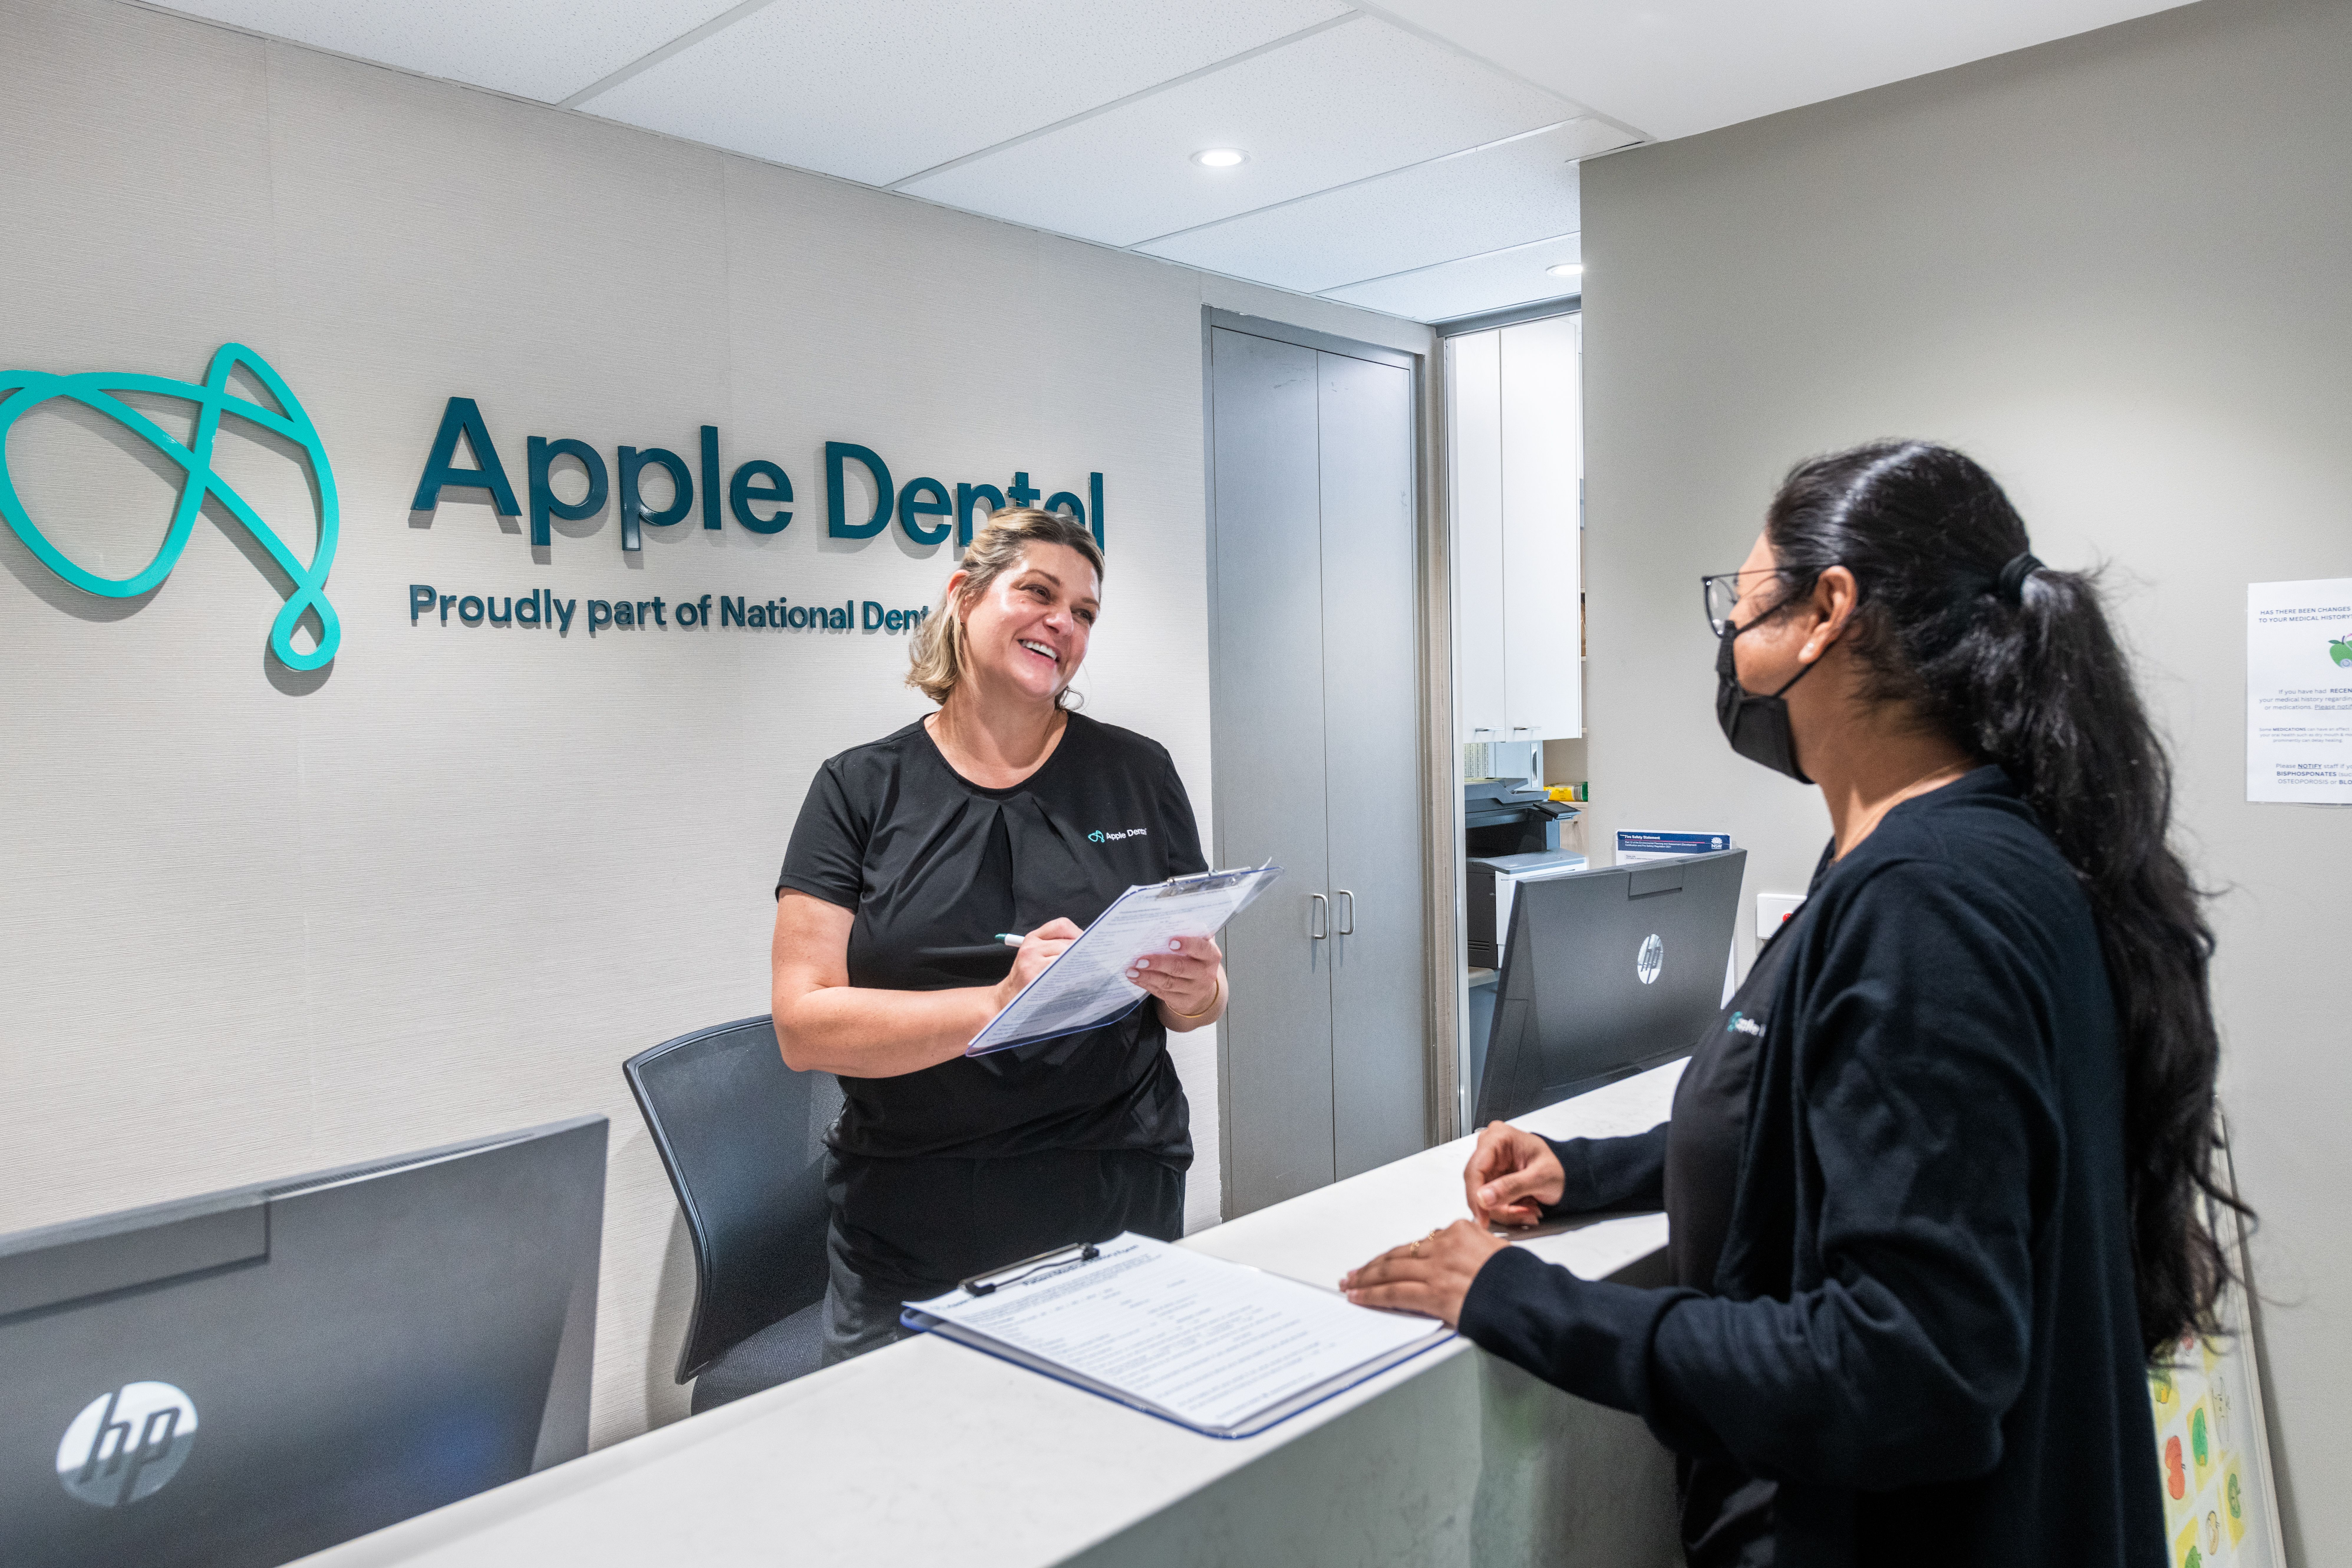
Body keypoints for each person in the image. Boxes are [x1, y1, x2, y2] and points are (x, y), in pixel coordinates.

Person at [1344, 442, 2237, 1567]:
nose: (1728, 635)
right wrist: (1589, 1168)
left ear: (1827, 611)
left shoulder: (1928, 903)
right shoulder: (1948, 850)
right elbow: (1819, 1125)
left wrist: (1521, 1300)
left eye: (1744, 597)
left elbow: (1903, 1370)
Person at [770, 507, 1226, 1365]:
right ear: (964, 596)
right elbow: (803, 1025)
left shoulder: (1138, 773)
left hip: (1115, 1196)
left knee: (1110, 1441)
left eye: (1084, 612)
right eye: (1039, 593)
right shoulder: (858, 789)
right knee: (905, 1448)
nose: (1063, 623)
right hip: (913, 1222)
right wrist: (998, 1003)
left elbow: (1196, 1001)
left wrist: (1200, 991)